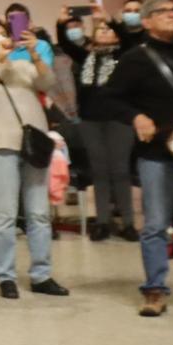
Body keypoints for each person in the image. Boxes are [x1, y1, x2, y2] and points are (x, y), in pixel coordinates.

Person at [101, 0, 173, 316]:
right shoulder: (134, 60)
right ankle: (154, 289)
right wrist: (136, 117)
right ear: (147, 21)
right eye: (162, 11)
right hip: (156, 155)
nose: (171, 15)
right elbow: (108, 100)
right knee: (154, 225)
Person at [0, 17, 67, 299]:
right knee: (4, 216)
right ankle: (5, 276)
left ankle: (41, 275)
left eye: (2, 33)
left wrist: (34, 53)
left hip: (33, 146)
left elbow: (48, 82)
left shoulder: (24, 66)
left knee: (39, 214)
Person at [57, 13, 138, 242]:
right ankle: (102, 221)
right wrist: (62, 22)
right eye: (100, 29)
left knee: (121, 171)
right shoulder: (86, 56)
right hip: (90, 121)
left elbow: (128, 38)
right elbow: (64, 43)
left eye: (108, 29)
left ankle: (129, 223)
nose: (104, 31)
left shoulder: (125, 55)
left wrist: (112, 21)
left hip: (119, 120)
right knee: (99, 171)